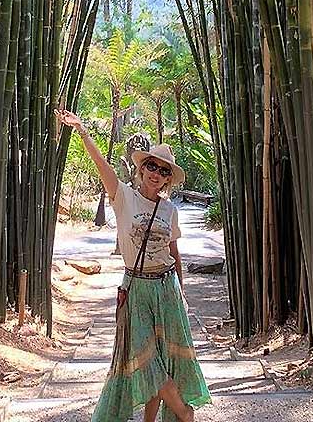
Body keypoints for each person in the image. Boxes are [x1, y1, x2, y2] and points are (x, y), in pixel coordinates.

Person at [56, 109, 210, 422]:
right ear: (140, 170)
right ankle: (183, 412)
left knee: (164, 359)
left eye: (163, 170)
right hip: (137, 287)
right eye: (151, 166)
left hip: (167, 289)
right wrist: (83, 130)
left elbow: (174, 252)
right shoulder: (124, 197)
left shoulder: (169, 210)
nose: (156, 173)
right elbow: (102, 167)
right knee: (147, 360)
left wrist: (180, 291)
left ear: (168, 179)